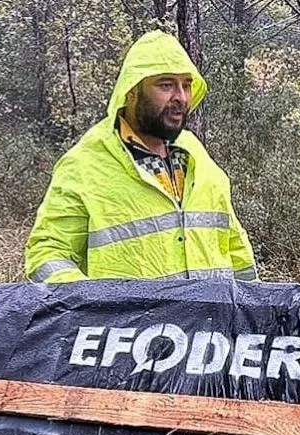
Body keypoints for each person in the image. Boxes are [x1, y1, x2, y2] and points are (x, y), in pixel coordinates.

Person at [25, 31, 256, 284]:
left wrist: (254, 315)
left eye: (186, 85)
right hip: (129, 324)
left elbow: (235, 249)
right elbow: (47, 253)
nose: (180, 97)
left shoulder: (196, 155)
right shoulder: (85, 164)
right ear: (132, 91)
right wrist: (92, 309)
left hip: (212, 323)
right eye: (166, 85)